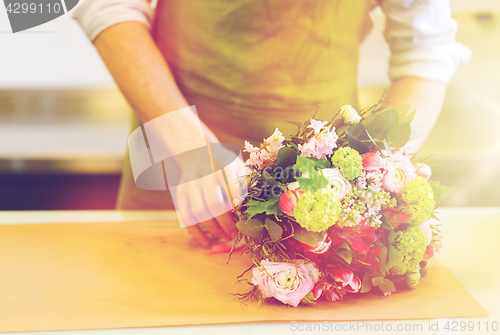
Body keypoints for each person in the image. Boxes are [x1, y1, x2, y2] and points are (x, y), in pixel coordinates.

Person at [73, 0, 471, 247]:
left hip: (320, 192)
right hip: (178, 174)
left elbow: (426, 50)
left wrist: (373, 172)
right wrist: (183, 139)